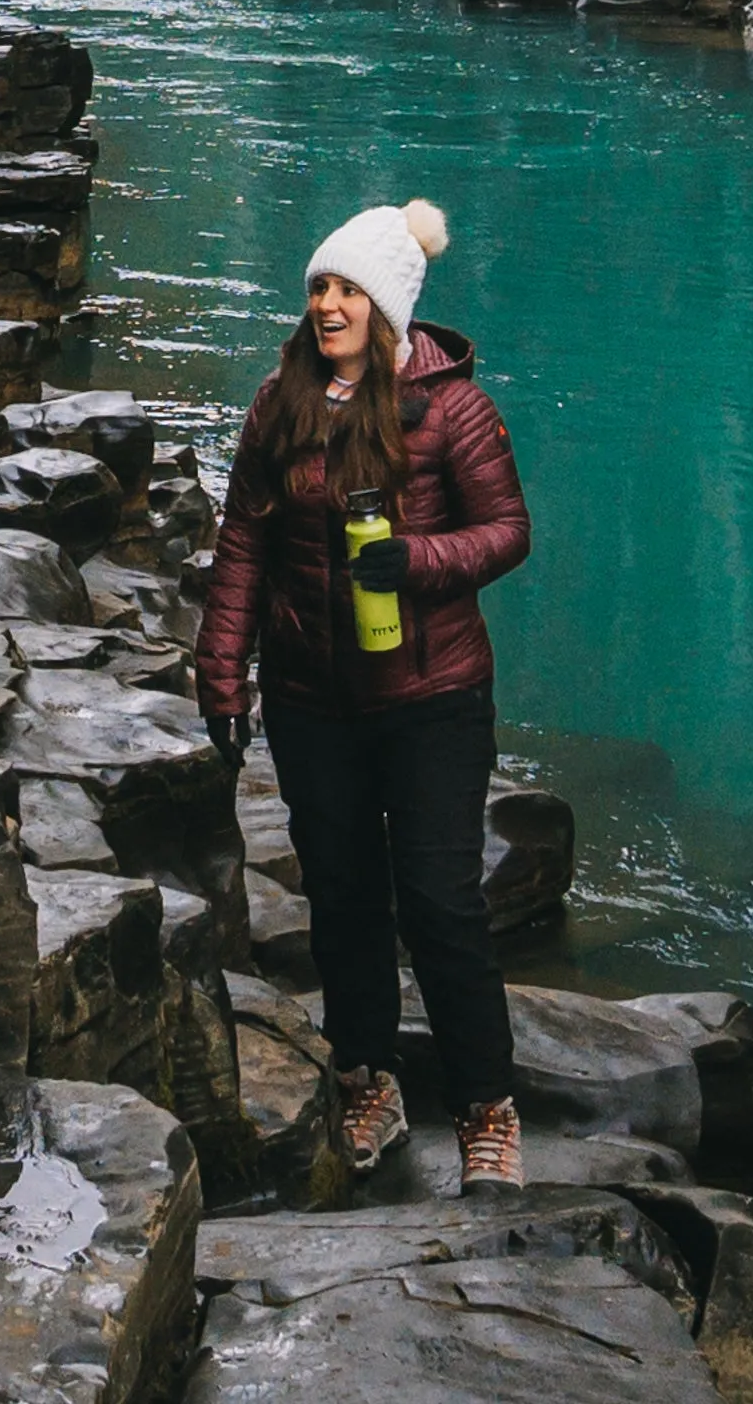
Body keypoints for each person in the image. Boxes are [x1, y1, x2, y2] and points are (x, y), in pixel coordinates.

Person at [195, 198, 533, 1188]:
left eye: (347, 290)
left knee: (439, 902)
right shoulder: (280, 401)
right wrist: (224, 673)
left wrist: (420, 560)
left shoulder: (455, 408)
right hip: (313, 700)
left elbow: (508, 532)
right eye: (318, 288)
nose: (328, 305)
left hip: (433, 698)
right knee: (341, 897)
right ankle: (367, 1080)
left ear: (388, 305)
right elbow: (244, 544)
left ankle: (486, 1107)